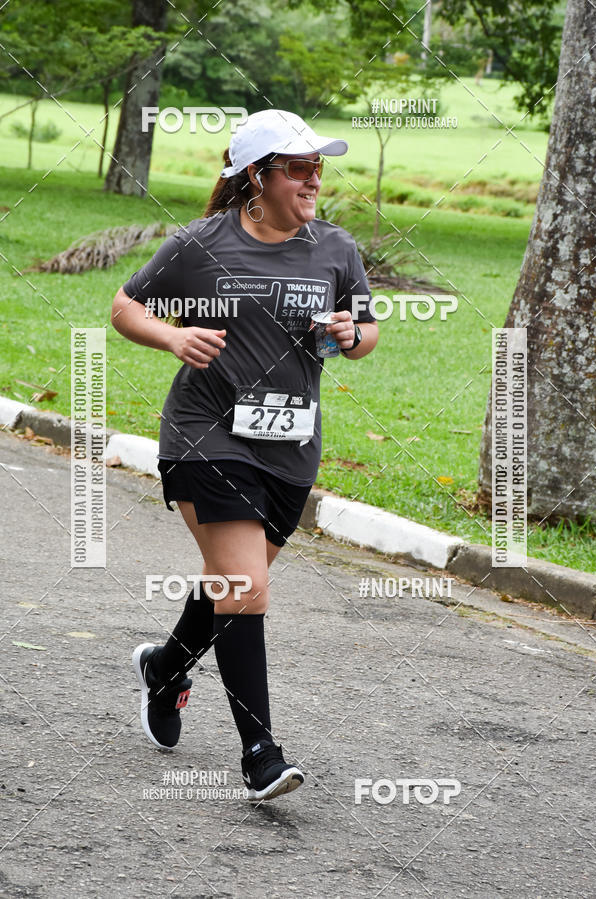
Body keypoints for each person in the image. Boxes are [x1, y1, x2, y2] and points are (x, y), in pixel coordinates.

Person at [110, 108, 378, 802]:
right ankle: (260, 752)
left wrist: (352, 334)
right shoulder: (203, 244)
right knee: (246, 587)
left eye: (318, 166)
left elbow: (367, 332)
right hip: (206, 433)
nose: (313, 179)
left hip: (290, 447)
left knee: (238, 582)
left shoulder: (335, 249)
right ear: (256, 176)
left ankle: (166, 670)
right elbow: (126, 306)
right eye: (298, 167)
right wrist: (172, 339)